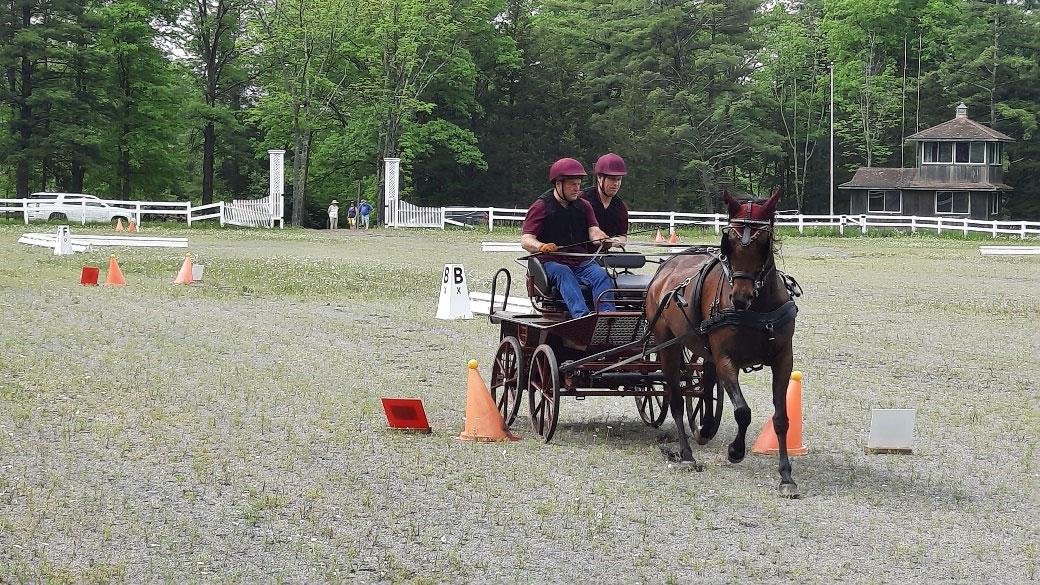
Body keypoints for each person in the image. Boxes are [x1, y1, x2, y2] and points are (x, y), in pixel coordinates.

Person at [521, 158, 617, 318]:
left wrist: (602, 239)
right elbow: (526, 240)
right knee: (563, 271)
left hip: (580, 262)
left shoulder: (584, 206)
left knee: (601, 275)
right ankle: (581, 317)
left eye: (578, 184)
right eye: (572, 184)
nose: (577, 188)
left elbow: (593, 231)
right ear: (558, 184)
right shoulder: (541, 206)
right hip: (550, 263)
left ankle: (607, 317)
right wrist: (541, 246)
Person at [581, 153, 629, 248]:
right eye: (612, 179)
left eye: (619, 179)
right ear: (599, 178)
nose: (616, 184)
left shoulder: (621, 207)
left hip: (603, 254)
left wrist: (616, 241)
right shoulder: (582, 199)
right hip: (580, 253)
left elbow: (623, 237)